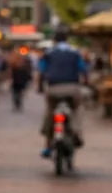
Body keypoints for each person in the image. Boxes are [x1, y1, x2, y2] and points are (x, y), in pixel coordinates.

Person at [37, 25, 87, 158]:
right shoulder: (75, 53)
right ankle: (77, 133)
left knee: (50, 111)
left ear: (54, 40)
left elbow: (41, 71)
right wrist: (85, 83)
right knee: (76, 110)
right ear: (67, 39)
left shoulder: (48, 53)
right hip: (72, 88)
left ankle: (47, 145)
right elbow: (83, 69)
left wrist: (40, 87)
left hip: (53, 88)